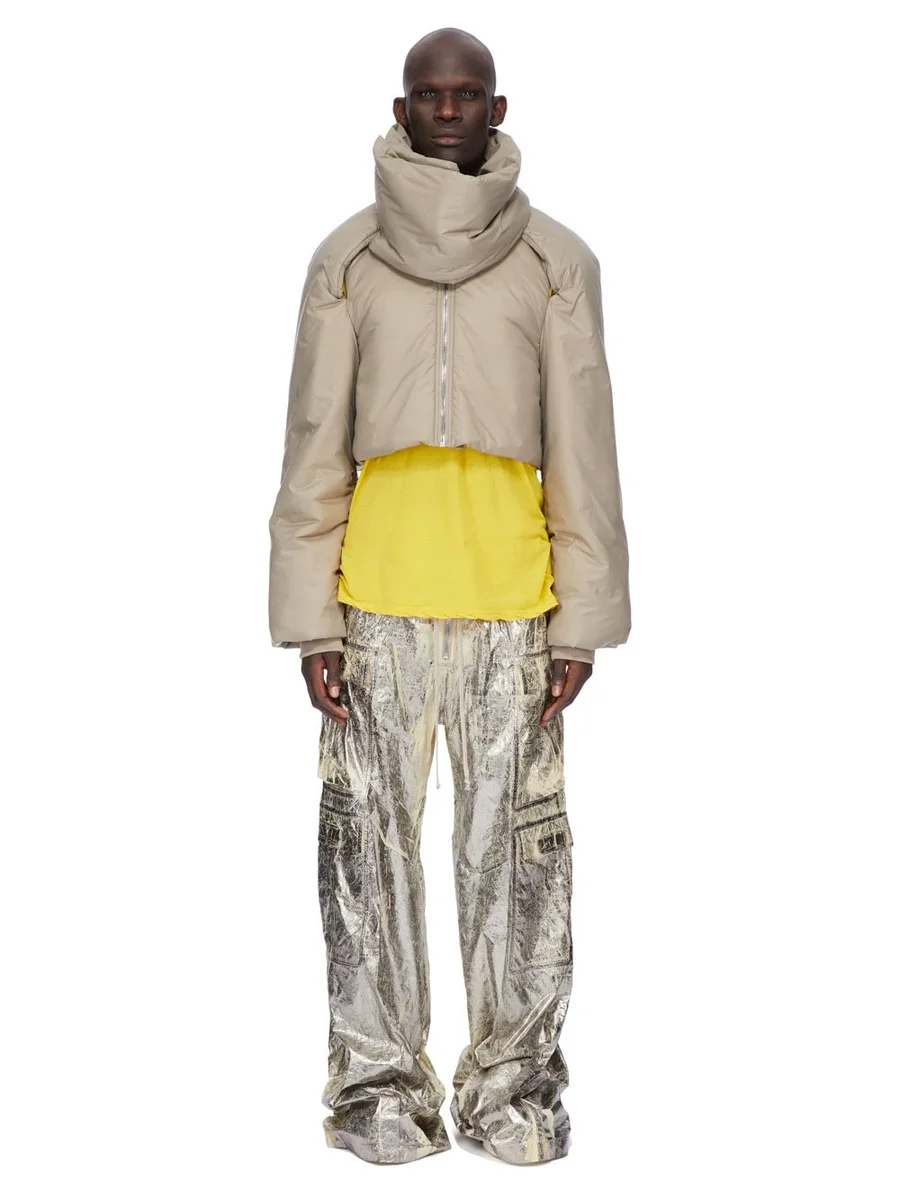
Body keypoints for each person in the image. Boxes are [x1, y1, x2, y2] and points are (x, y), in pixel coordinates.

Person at [268, 27, 631, 1166]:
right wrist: (310, 618)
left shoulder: (557, 264)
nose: (447, 111)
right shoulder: (346, 262)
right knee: (364, 854)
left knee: (518, 857)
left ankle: (512, 1089)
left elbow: (584, 450)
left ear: (496, 109)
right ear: (402, 107)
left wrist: (581, 621)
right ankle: (377, 1088)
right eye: (430, 95)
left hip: (513, 605)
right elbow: (314, 445)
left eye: (467, 95)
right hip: (375, 606)